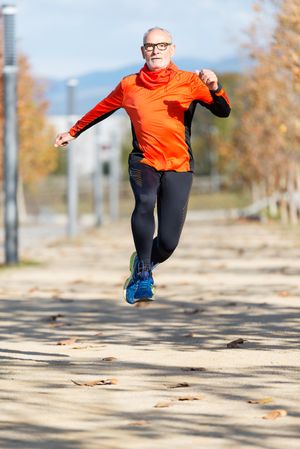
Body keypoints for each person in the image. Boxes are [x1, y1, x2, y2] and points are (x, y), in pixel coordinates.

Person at [54, 27, 231, 305]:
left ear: (172, 50)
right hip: (144, 161)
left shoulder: (189, 82)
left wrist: (214, 87)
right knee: (145, 201)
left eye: (162, 46)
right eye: (150, 46)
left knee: (169, 243)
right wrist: (73, 132)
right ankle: (145, 273)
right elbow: (102, 109)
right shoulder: (129, 85)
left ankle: (142, 260)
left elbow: (223, 111)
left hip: (179, 165)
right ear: (142, 51)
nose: (156, 51)